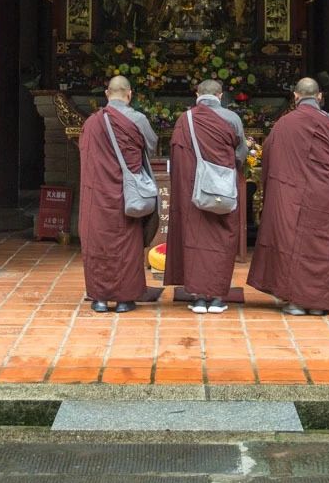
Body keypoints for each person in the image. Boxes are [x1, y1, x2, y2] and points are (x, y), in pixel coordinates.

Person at [246, 77, 329, 316]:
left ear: (295, 96)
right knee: (320, 244)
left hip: (290, 192)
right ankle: (319, 303)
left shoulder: (284, 123)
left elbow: (269, 154)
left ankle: (295, 302)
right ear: (320, 97)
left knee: (290, 242)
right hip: (322, 193)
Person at [77, 74, 158, 313]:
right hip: (127, 195)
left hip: (99, 196)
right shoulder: (138, 119)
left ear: (107, 94)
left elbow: (86, 154)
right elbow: (151, 146)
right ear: (130, 94)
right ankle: (124, 299)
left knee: (99, 244)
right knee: (127, 244)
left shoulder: (92, 122)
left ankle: (100, 299)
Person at [165, 79, 247, 314]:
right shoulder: (232, 119)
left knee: (195, 240)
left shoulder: (185, 120)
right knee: (222, 240)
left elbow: (178, 158)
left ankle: (199, 298)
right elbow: (240, 153)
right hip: (223, 191)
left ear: (197, 94)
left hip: (194, 193)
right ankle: (218, 298)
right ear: (220, 96)